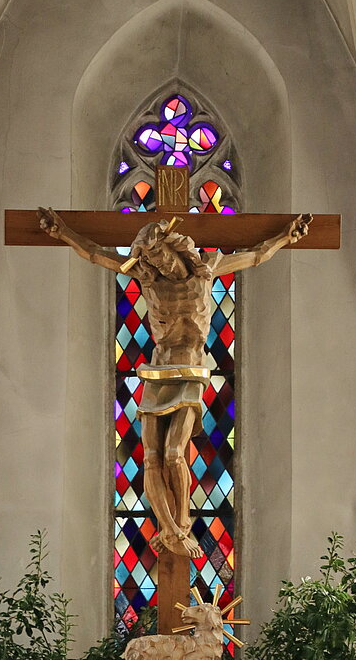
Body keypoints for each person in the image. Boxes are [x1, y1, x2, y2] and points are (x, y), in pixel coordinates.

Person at [39, 207, 311, 557]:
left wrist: (286, 237)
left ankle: (181, 523)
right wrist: (63, 233)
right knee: (151, 457)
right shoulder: (147, 278)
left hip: (191, 371)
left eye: (162, 254)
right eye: (153, 259)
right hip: (157, 370)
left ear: (175, 246)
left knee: (173, 453)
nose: (160, 263)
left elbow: (256, 255)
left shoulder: (207, 270)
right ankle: (169, 531)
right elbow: (95, 253)